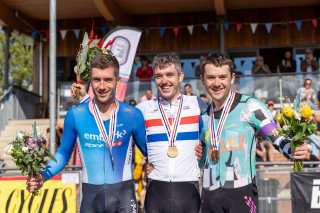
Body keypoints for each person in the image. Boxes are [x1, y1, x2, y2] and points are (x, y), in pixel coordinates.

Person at [27, 54, 148, 213]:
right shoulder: (76, 115)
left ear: (118, 81)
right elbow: (63, 154)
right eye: (97, 79)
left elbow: (151, 152)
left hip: (124, 199)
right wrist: (42, 176)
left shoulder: (132, 114)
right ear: (90, 81)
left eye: (108, 80)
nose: (102, 86)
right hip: (91, 200)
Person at [199, 53, 309, 212]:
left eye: (222, 77)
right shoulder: (202, 116)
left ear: (232, 78)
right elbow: (202, 159)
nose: (217, 83)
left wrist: (292, 149)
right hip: (209, 196)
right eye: (211, 78)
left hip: (242, 195)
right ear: (203, 80)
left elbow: (276, 138)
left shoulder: (251, 107)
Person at [136, 53, 207, 213]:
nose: (164, 81)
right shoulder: (143, 109)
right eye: (159, 76)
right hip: (156, 191)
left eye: (169, 75)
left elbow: (213, 136)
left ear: (180, 76)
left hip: (189, 190)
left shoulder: (197, 104)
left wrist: (203, 156)